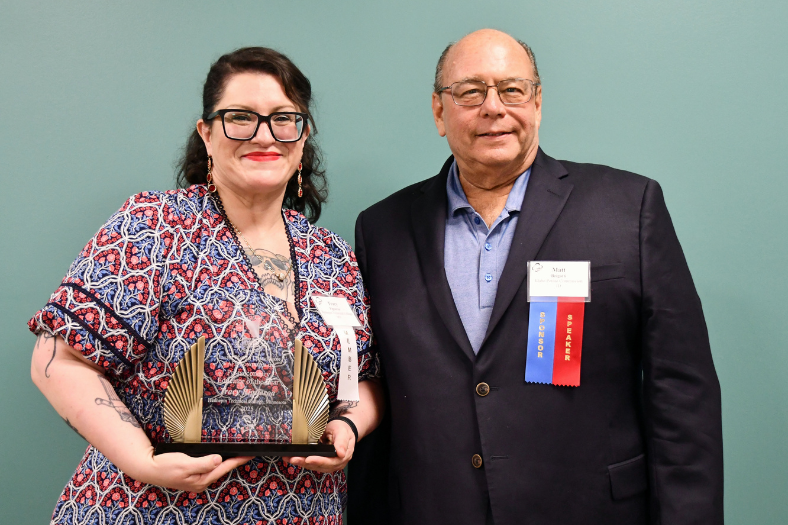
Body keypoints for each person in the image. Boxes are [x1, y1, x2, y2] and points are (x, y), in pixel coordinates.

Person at [348, 29, 723, 524]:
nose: (493, 107)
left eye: (512, 89)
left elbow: (682, 395)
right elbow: (374, 384)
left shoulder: (627, 208)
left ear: (537, 102)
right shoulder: (382, 229)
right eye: (469, 92)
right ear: (440, 111)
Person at [30, 46, 383, 525]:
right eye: (240, 117)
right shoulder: (154, 225)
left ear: (303, 138)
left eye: (284, 119)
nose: (264, 135)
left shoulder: (333, 255)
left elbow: (363, 379)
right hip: (153, 507)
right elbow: (59, 361)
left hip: (303, 509)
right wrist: (142, 460)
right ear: (207, 133)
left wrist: (348, 426)